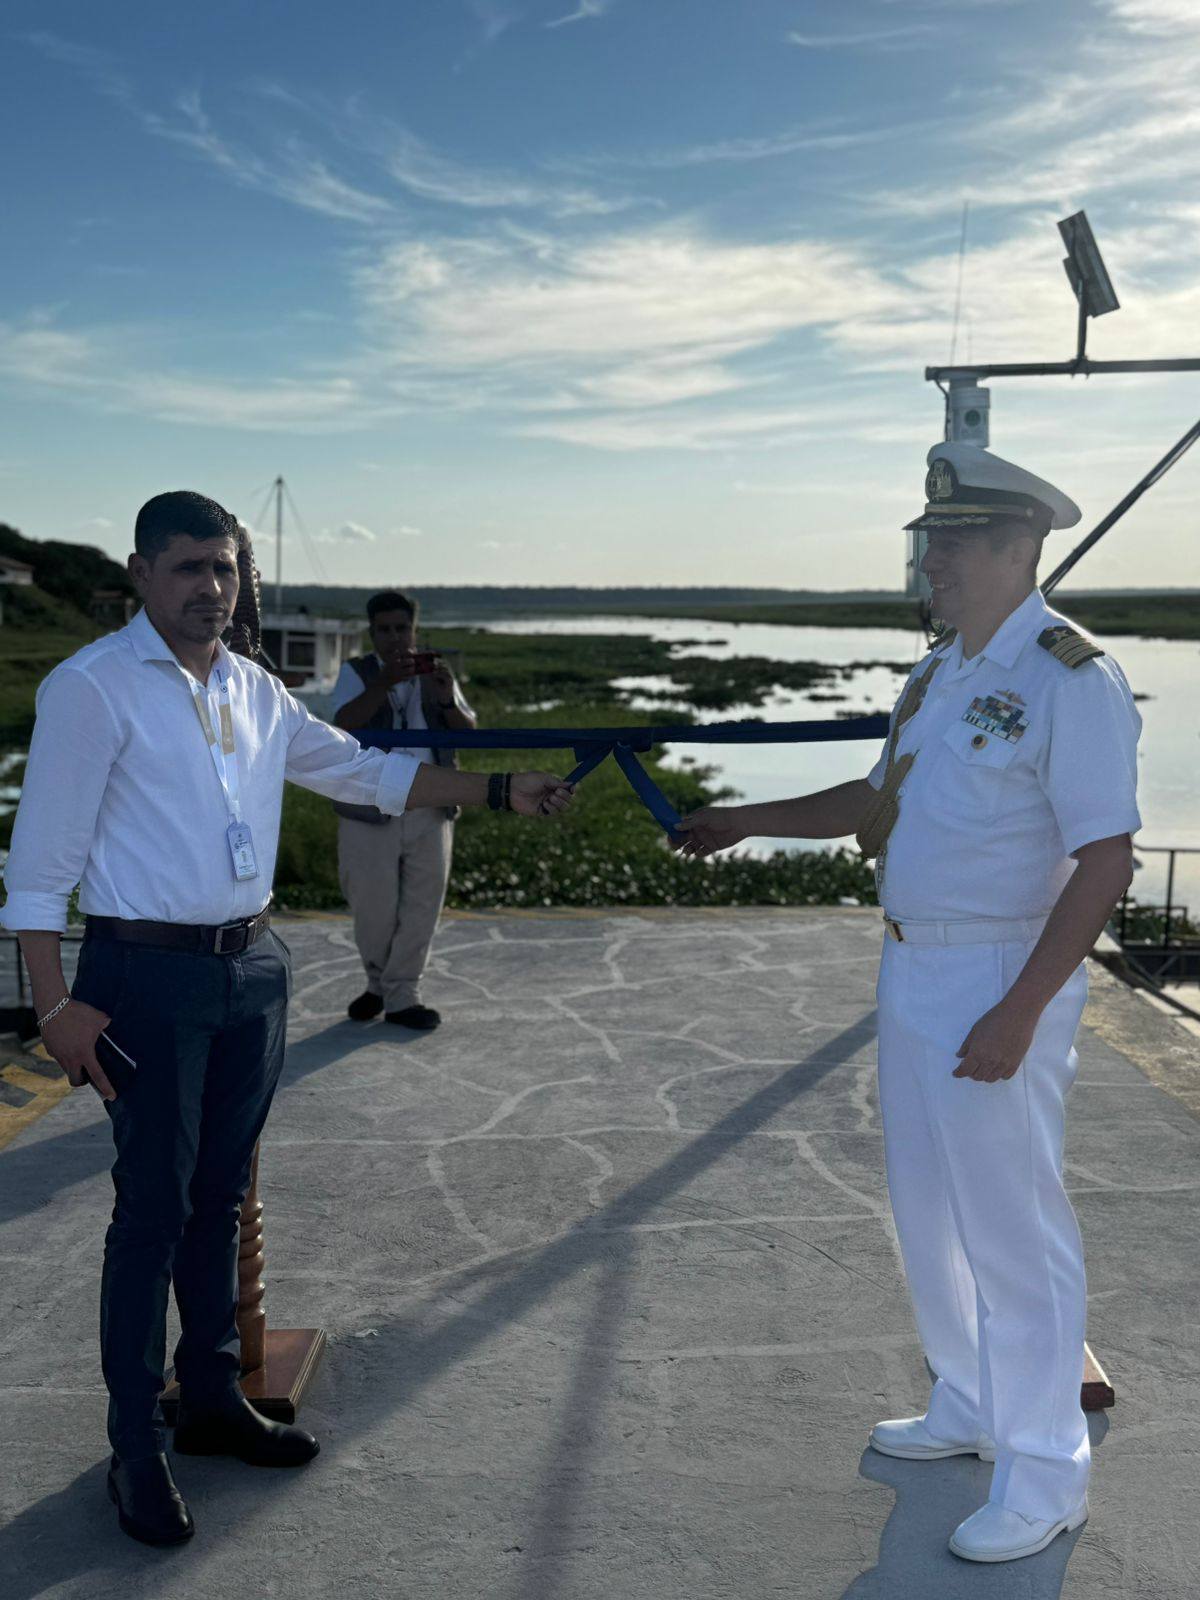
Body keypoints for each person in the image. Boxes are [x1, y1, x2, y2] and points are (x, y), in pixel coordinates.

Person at [0, 491, 573, 1549]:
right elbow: (38, 868)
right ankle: (136, 1445)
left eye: (224, 568)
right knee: (152, 1212)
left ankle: (213, 1397)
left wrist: (497, 790)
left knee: (219, 1200)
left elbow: (362, 770)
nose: (210, 588)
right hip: (144, 974)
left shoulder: (255, 689)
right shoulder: (91, 688)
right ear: (141, 574)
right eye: (187, 567)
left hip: (251, 968)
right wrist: (54, 1004)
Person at [674, 442, 1141, 1565]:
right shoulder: (942, 674)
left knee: (1015, 1228)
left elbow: (1107, 861)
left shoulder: (1071, 678)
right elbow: (875, 799)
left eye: (952, 542)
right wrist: (745, 819)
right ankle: (969, 1400)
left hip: (999, 973)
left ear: (1017, 547)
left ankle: (1046, 1472)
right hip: (913, 968)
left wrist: (1021, 1010)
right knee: (929, 1206)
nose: (930, 560)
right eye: (930, 541)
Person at [330, 589, 474, 1030]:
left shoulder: (435, 671)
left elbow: (468, 731)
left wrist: (446, 698)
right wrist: (383, 683)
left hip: (430, 802)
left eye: (402, 628)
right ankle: (379, 985)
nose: (395, 638)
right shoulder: (356, 673)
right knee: (372, 906)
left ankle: (402, 993)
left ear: (415, 629)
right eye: (385, 630)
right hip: (370, 804)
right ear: (371, 633)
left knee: (423, 904)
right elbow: (342, 725)